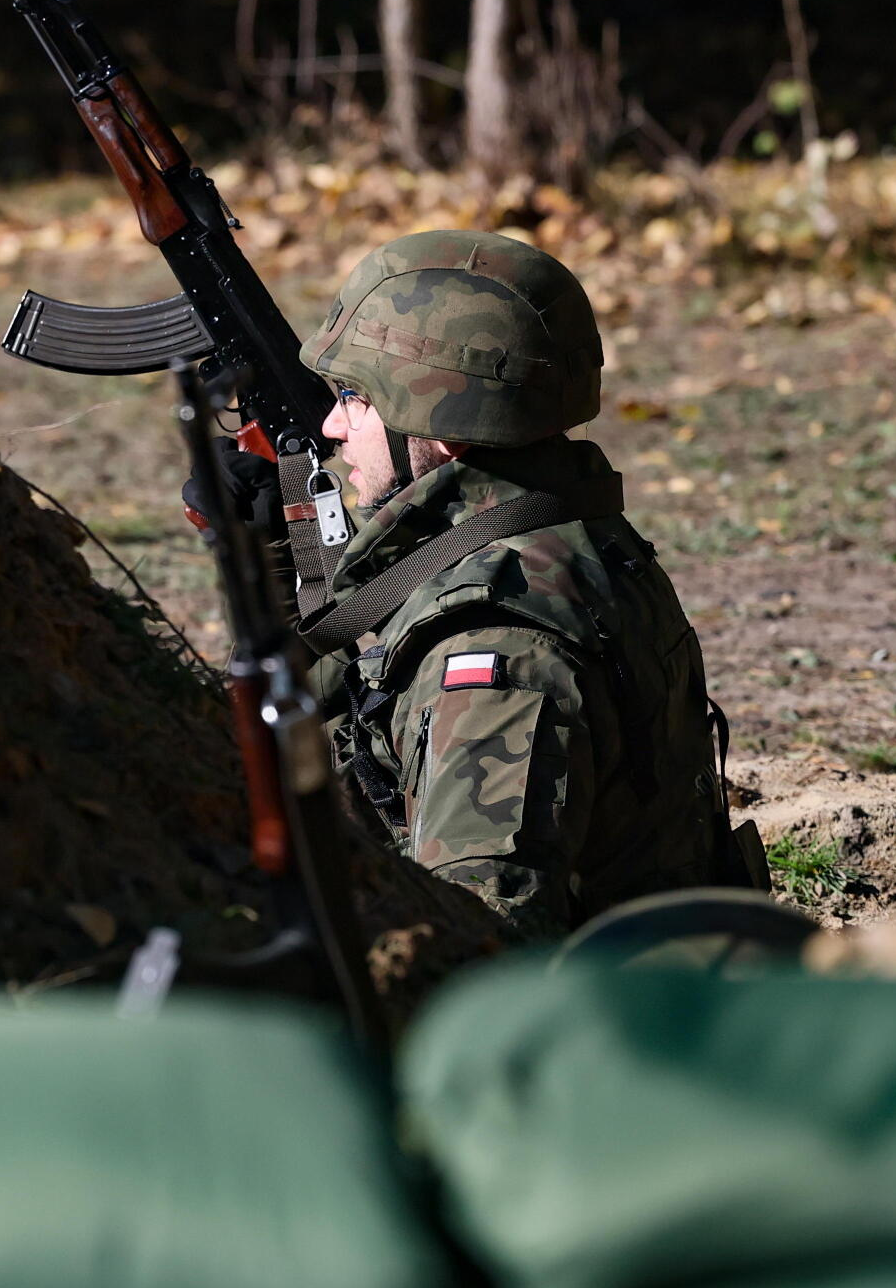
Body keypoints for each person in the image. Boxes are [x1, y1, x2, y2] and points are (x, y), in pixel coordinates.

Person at [289, 230, 752, 932]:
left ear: (440, 424)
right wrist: (289, 527)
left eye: (354, 396)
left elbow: (481, 949)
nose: (331, 423)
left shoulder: (498, 657)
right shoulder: (565, 533)